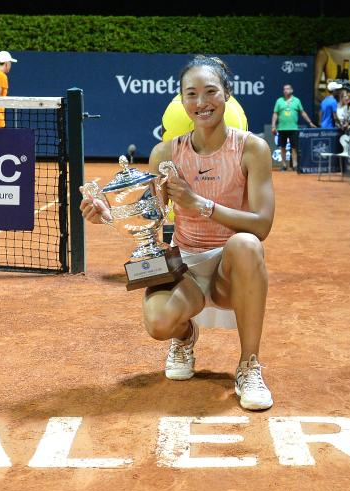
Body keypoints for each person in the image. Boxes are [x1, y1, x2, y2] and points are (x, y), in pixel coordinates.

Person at [80, 55, 276, 411]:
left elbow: (262, 224)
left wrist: (201, 204)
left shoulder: (252, 148)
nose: (202, 102)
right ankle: (185, 337)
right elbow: (149, 219)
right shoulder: (165, 153)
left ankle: (249, 365)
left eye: (211, 91)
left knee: (247, 244)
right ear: (182, 100)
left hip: (231, 268)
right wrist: (110, 215)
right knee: (157, 322)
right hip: (185, 268)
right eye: (192, 94)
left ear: (227, 93)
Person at [270, 83, 315, 171]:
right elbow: (275, 114)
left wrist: (310, 122)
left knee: (294, 148)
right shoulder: (279, 101)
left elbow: (302, 112)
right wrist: (273, 126)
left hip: (293, 128)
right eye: (284, 89)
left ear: (291, 90)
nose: (285, 91)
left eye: (287, 89)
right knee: (282, 147)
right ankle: (284, 165)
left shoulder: (296, 101)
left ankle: (295, 165)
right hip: (282, 128)